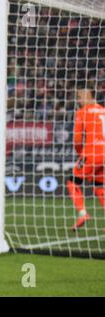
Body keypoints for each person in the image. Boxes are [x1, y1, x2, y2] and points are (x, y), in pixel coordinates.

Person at [66, 87, 105, 231]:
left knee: (72, 182)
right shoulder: (103, 110)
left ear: (87, 96)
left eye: (79, 97)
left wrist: (80, 153)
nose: (78, 100)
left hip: (91, 153)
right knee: (99, 185)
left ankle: (83, 214)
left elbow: (77, 139)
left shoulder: (82, 112)